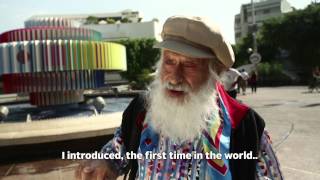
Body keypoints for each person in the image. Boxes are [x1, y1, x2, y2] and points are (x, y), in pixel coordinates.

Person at [75, 16, 282, 180]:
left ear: (215, 72)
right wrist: (103, 164)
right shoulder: (142, 110)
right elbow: (118, 151)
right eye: (169, 61)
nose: (174, 77)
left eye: (190, 65)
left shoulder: (245, 127)